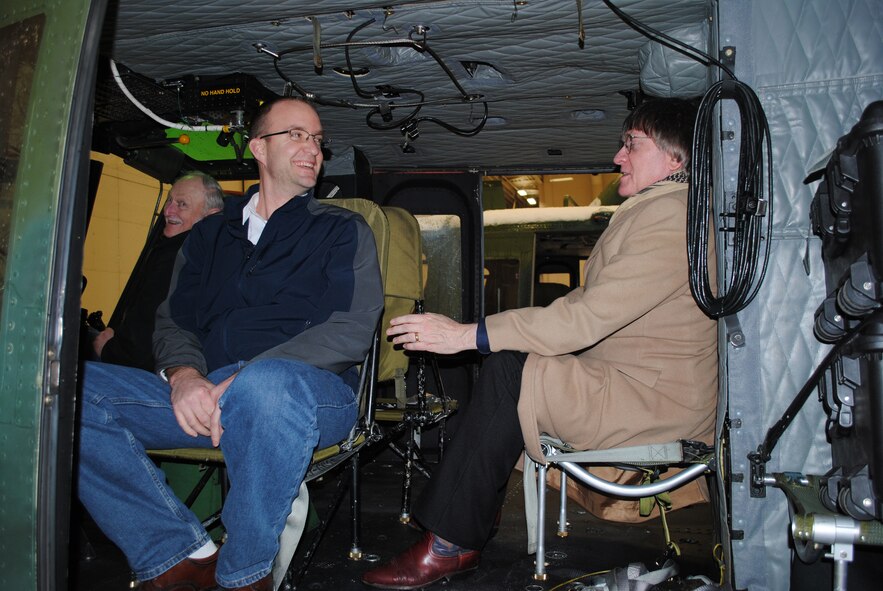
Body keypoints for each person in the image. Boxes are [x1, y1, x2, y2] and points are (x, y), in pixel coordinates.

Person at [361, 98, 718, 590]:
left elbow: (588, 317)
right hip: (640, 388)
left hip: (651, 401)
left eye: (631, 144)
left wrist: (468, 335)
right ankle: (466, 523)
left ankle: (450, 543)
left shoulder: (670, 216)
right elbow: (591, 307)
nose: (618, 157)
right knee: (515, 361)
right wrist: (494, 331)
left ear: (675, 160)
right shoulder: (668, 211)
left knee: (509, 369)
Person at [76, 97, 384, 591]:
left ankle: (243, 576)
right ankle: (179, 556)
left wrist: (245, 378)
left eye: (317, 140)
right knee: (67, 390)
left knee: (266, 385)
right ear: (259, 147)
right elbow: (174, 320)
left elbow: (350, 328)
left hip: (310, 391)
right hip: (209, 394)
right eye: (297, 135)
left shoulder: (341, 230)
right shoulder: (208, 236)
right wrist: (183, 376)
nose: (313, 149)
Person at [92, 171, 224, 370]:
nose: (168, 211)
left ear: (210, 216)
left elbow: (146, 332)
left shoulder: (180, 259)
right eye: (169, 200)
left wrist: (108, 350)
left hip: (139, 368)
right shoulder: (208, 254)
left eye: (182, 204)